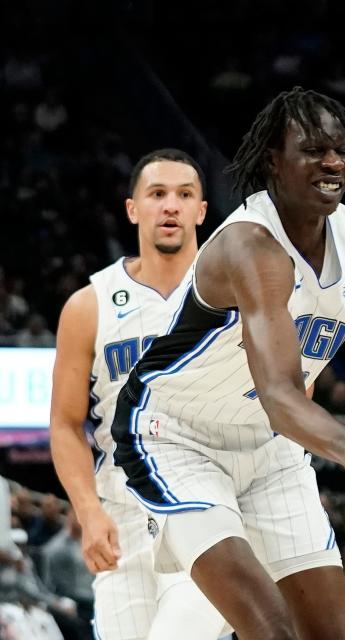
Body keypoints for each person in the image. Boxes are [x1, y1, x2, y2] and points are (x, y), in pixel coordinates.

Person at [112, 87, 345, 639]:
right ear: (273, 163)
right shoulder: (248, 247)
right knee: (271, 631)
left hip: (270, 448)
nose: (333, 162)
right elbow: (282, 396)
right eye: (313, 150)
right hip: (176, 438)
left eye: (342, 150)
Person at [49, 148, 226, 639]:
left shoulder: (234, 294)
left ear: (201, 211)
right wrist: (87, 511)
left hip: (206, 509)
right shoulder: (90, 305)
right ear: (133, 209)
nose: (170, 206)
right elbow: (66, 423)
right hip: (122, 516)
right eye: (157, 194)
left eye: (184, 195)